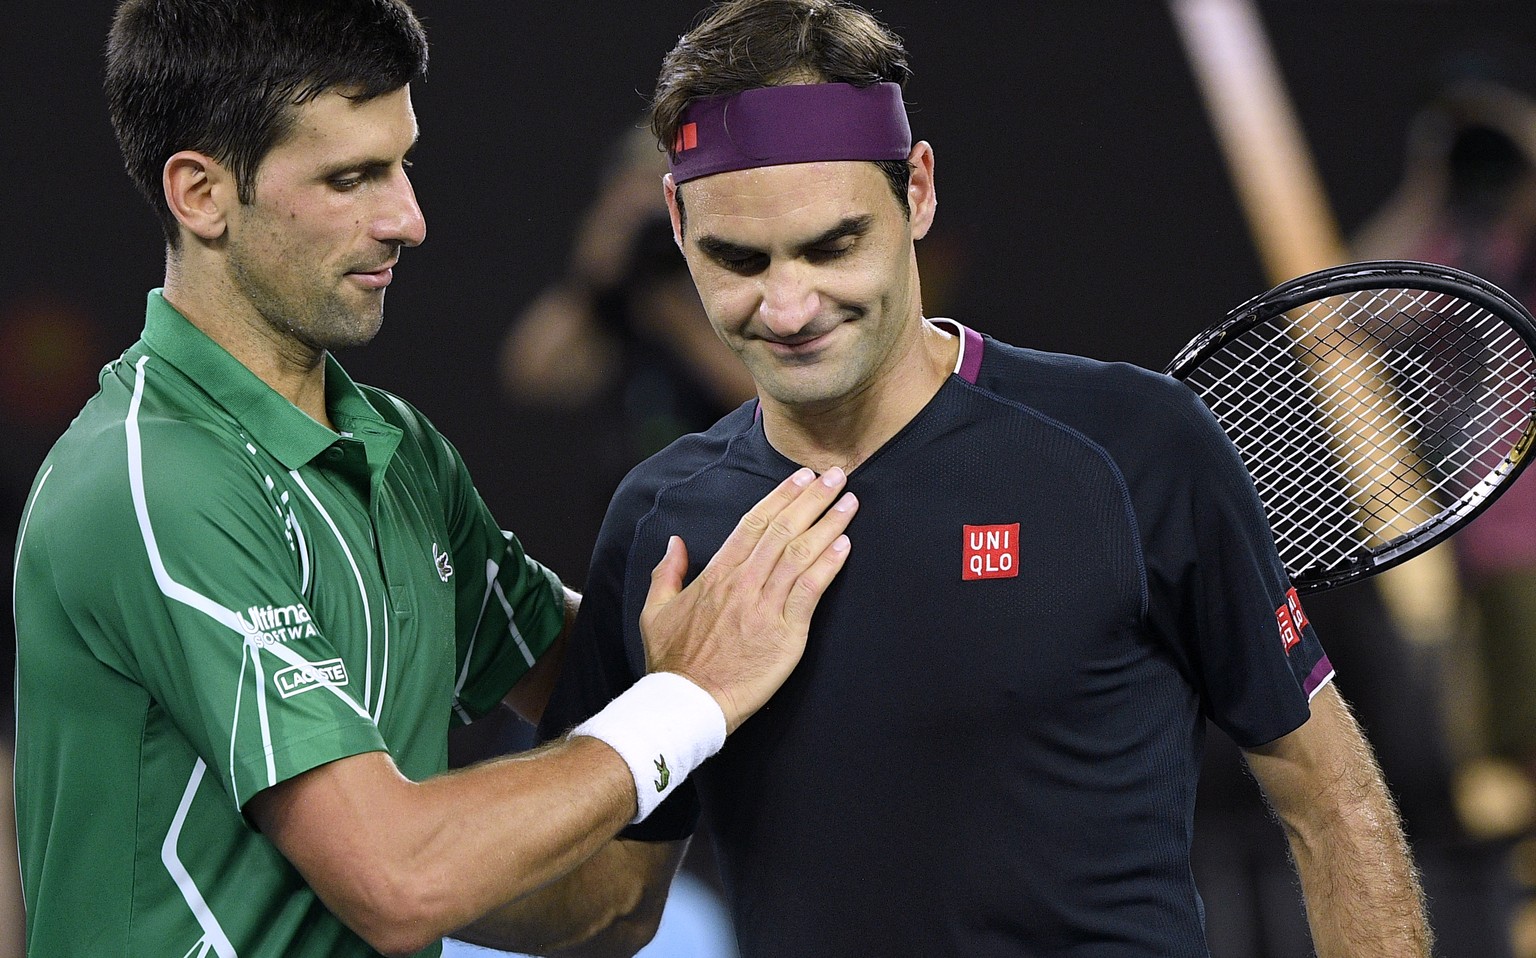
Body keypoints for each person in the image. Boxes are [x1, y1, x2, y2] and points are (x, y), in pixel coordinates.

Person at [534, 1, 1435, 955]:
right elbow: (615, 904)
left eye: (834, 245)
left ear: (917, 191)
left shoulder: (1137, 446)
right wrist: (365, 886)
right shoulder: (659, 518)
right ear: (676, 224)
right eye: (738, 259)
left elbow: (1330, 801)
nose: (789, 305)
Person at [9, 2, 859, 955]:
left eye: (401, 163)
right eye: (351, 178)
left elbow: (610, 880)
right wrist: (689, 703)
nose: (407, 219)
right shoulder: (150, 485)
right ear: (201, 193)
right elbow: (400, 878)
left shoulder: (401, 456)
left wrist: (731, 678)